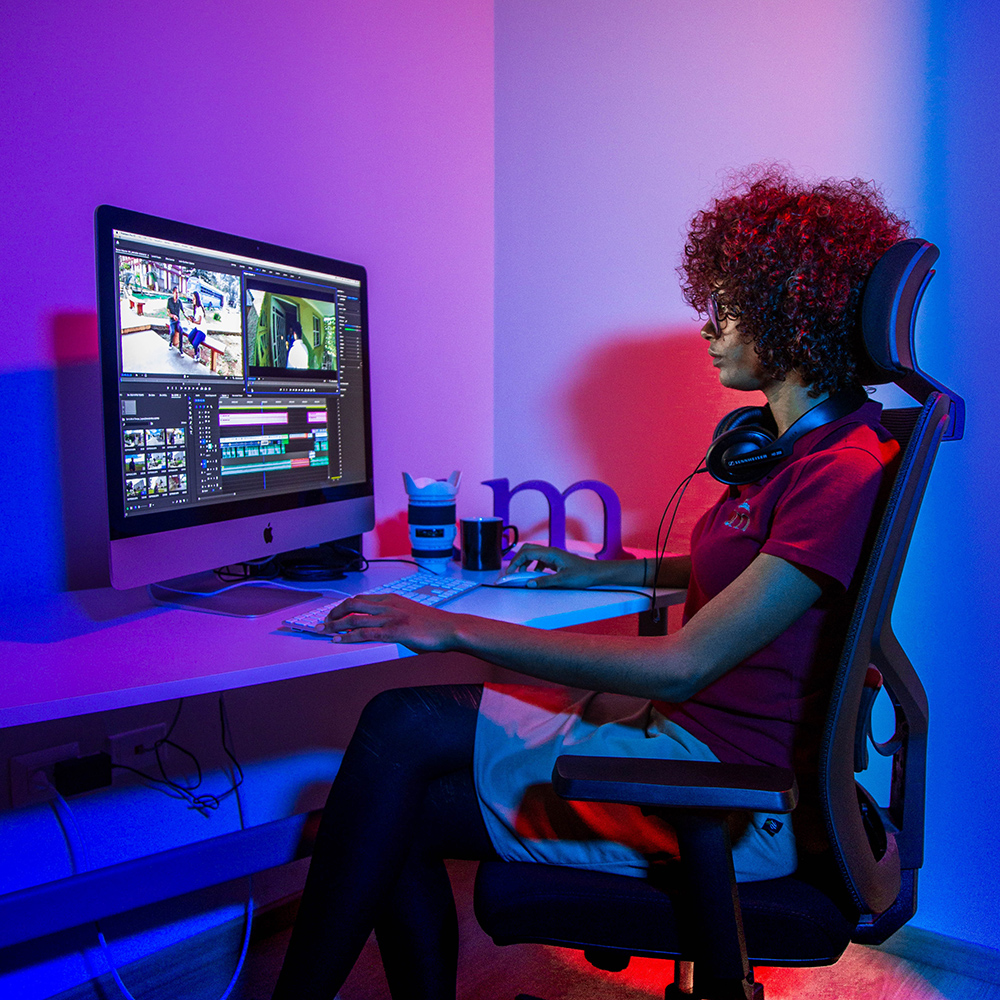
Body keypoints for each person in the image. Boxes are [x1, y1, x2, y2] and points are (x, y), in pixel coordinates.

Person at [271, 168, 910, 1000]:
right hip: (689, 749)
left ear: (791, 313)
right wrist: (602, 569)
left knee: (398, 737)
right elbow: (767, 575)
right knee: (396, 790)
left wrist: (457, 628)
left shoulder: (842, 469)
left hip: (722, 795)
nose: (709, 328)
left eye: (729, 306)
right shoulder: (798, 454)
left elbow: (682, 665)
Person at [187, 291, 207, 361]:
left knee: (195, 343)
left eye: (194, 298)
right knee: (190, 337)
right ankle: (197, 349)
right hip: (197, 328)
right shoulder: (195, 308)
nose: (192, 300)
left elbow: (199, 322)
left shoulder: (199, 309)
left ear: (197, 299)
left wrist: (193, 321)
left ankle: (197, 354)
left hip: (202, 330)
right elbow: (195, 319)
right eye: (192, 298)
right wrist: (191, 319)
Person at [166, 287, 186, 352]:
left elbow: (183, 311)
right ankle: (170, 343)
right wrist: (173, 316)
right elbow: (168, 313)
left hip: (178, 321)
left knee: (181, 330)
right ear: (173, 293)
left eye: (178, 293)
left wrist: (188, 317)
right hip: (172, 320)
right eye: (176, 293)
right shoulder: (169, 300)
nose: (177, 295)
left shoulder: (179, 302)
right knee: (172, 332)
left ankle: (180, 348)